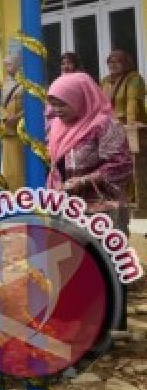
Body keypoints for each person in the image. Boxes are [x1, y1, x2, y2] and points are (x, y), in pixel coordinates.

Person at [47, 71, 134, 330]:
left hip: (101, 210)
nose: (56, 110)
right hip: (68, 208)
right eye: (53, 103)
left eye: (62, 103)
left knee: (105, 263)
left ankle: (110, 327)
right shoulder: (58, 127)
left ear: (80, 99)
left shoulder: (105, 125)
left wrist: (84, 181)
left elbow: (121, 165)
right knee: (71, 267)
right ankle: (80, 328)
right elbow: (56, 167)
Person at [0, 51, 26, 190]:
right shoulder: (1, 83)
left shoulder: (27, 83)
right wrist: (5, 117)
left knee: (21, 167)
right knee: (7, 167)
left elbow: (33, 105)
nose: (7, 68)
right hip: (6, 129)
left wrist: (19, 116)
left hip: (22, 128)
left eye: (10, 64)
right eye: (6, 65)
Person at [101, 48, 146, 126]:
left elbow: (132, 102)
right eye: (110, 62)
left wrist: (131, 123)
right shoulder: (105, 80)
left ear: (125, 63)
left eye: (117, 62)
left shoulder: (134, 78)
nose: (112, 65)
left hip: (131, 124)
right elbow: (100, 103)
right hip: (111, 125)